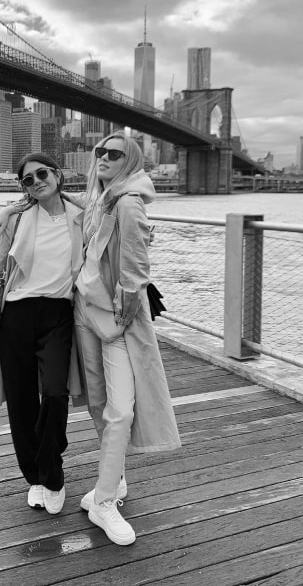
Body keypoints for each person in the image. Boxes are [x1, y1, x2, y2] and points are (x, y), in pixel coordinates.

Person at [0, 153, 84, 515]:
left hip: (58, 314)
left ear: (57, 175)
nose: (37, 181)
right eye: (27, 180)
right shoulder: (20, 218)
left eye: (42, 174)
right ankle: (39, 478)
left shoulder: (81, 216)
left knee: (56, 393)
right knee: (22, 402)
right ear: (23, 188)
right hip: (17, 316)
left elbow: (113, 209)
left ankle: (51, 470)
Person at [73, 131, 181, 546]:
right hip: (85, 310)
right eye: (99, 150)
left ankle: (104, 502)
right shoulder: (99, 199)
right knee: (98, 403)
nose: (103, 156)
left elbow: (136, 271)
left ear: (129, 161)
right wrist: (12, 210)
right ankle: (114, 482)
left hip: (115, 319)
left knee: (120, 409)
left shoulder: (129, 202)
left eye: (113, 153)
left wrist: (125, 317)